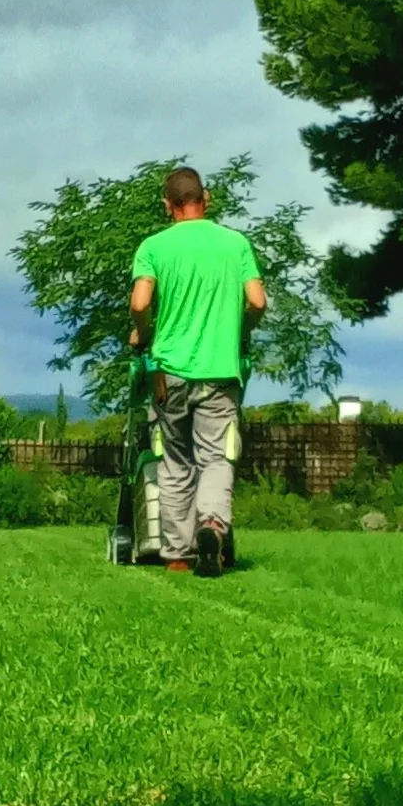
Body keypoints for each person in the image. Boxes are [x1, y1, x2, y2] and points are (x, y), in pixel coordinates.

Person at [129, 166, 266, 576]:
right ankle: (212, 525)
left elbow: (139, 303)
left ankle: (177, 555)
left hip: (168, 374)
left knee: (174, 462)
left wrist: (144, 334)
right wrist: (242, 330)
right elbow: (257, 302)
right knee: (216, 457)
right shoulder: (235, 244)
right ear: (206, 199)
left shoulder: (153, 246)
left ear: (166, 205)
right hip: (220, 372)